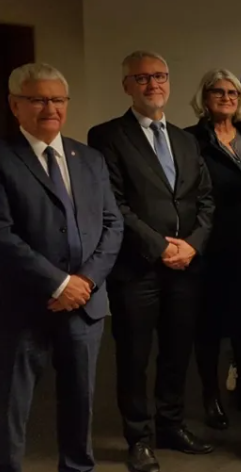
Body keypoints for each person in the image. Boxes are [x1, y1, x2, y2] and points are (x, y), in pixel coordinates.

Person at [87, 50, 216, 472]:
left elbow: (205, 200)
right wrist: (160, 246)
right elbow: (116, 204)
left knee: (177, 353)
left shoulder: (185, 138)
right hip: (138, 269)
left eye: (159, 76)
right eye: (141, 78)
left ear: (169, 82)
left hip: (186, 268)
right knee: (134, 357)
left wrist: (193, 245)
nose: (152, 85)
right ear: (126, 85)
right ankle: (138, 438)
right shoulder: (106, 136)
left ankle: (171, 425)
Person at [0, 63, 123, 472]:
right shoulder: (3, 158)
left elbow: (112, 223)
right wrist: (57, 284)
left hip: (84, 305)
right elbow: (2, 235)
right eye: (37, 99)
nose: (49, 107)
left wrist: (84, 281)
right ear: (15, 106)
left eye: (57, 99)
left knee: (82, 404)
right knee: (10, 410)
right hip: (22, 307)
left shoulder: (88, 158)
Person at [184, 69, 241, 431]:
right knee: (209, 325)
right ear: (204, 97)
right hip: (212, 242)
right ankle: (210, 395)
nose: (227, 97)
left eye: (233, 92)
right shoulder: (190, 140)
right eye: (218, 91)